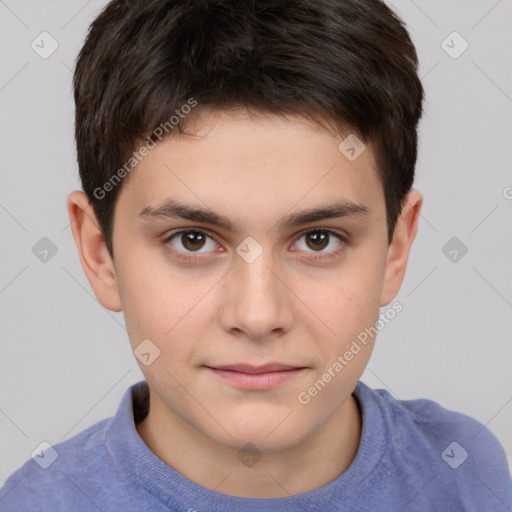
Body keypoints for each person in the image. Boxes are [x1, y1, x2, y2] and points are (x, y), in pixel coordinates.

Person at [1, 0, 510, 510]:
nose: (258, 315)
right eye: (192, 240)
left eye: (318, 239)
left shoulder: (468, 475)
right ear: (99, 253)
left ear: (395, 249)